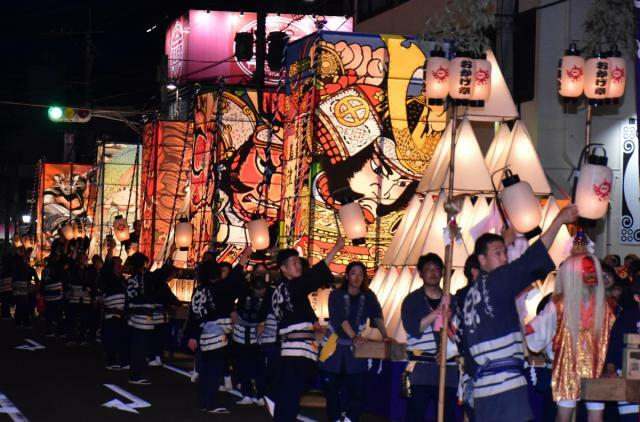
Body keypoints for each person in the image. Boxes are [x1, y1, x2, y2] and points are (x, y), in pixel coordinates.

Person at [452, 204, 578, 422]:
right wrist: (559, 219)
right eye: (498, 253)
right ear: (481, 261)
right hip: (505, 388)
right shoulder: (496, 282)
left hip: (482, 389)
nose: (504, 258)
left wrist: (504, 240)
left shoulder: (467, 294)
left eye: (505, 253)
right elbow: (531, 259)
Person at [526, 253, 616, 422]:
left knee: (565, 417)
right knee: (595, 417)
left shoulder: (559, 304)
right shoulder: (605, 306)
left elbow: (536, 333)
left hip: (570, 368)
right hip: (593, 369)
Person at [270, 237, 345, 422]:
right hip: (296, 353)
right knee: (291, 397)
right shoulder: (292, 287)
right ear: (283, 269)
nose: (298, 266)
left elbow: (298, 308)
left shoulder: (280, 291)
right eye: (293, 263)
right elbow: (312, 277)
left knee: (289, 396)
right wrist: (336, 248)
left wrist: (313, 321)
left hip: (289, 351)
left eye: (298, 262)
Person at [319, 261, 390, 422]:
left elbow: (377, 316)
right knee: (331, 390)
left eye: (360, 274)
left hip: (355, 351)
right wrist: (354, 336)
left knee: (358, 391)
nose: (357, 277)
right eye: (353, 273)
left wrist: (385, 335)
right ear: (346, 276)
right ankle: (336, 419)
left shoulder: (369, 295)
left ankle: (350, 419)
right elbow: (340, 319)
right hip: (334, 348)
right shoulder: (336, 294)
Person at [186, 246, 251, 414]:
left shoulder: (199, 291)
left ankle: (203, 402)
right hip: (217, 338)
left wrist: (193, 336)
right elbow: (234, 277)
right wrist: (244, 257)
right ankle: (211, 403)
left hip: (204, 337)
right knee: (214, 372)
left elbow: (193, 316)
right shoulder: (218, 289)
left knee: (205, 372)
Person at [401, 253, 459, 422]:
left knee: (447, 415)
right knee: (415, 415)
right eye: (428, 269)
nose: (433, 273)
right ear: (420, 273)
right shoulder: (412, 300)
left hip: (447, 368)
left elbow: (459, 333)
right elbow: (413, 328)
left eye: (436, 269)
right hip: (421, 368)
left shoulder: (452, 301)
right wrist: (436, 314)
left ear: (442, 273)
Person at [125, 252, 174, 385]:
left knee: (136, 346)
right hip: (144, 317)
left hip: (133, 316)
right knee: (141, 347)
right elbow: (161, 275)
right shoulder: (144, 277)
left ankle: (135, 374)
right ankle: (136, 376)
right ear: (143, 264)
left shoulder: (131, 279)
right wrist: (169, 260)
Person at [232, 275, 271, 405]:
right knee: (243, 364)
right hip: (241, 331)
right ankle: (247, 394)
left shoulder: (270, 293)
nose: (261, 293)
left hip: (259, 331)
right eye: (257, 290)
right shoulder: (244, 290)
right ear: (252, 288)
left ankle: (261, 395)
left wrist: (263, 326)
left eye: (263, 290)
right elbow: (226, 297)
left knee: (259, 365)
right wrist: (233, 311)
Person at [604, 279, 640, 421]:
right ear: (637, 298)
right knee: (629, 416)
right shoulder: (627, 317)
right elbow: (614, 345)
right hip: (626, 374)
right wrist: (611, 369)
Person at [101, 256, 129, 370]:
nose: (119, 266)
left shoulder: (123, 279)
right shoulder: (107, 279)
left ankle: (124, 361)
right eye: (117, 264)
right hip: (111, 313)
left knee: (123, 338)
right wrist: (110, 309)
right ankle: (111, 362)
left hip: (122, 313)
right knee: (112, 338)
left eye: (120, 264)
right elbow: (101, 297)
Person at [12, 247, 38, 328]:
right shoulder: (20, 262)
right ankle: (24, 322)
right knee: (23, 304)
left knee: (20, 304)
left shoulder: (16, 262)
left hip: (18, 285)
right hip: (22, 285)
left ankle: (19, 322)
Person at [41, 253, 65, 336]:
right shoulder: (59, 268)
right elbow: (62, 279)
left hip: (48, 293)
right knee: (58, 314)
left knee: (49, 313)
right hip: (57, 293)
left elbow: (43, 283)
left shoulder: (45, 270)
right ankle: (60, 331)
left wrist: (42, 293)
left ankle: (49, 331)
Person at [0, 253, 13, 320]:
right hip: (7, 286)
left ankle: (5, 314)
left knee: (4, 301)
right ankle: (6, 315)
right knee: (6, 301)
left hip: (3, 286)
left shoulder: (2, 265)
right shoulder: (8, 266)